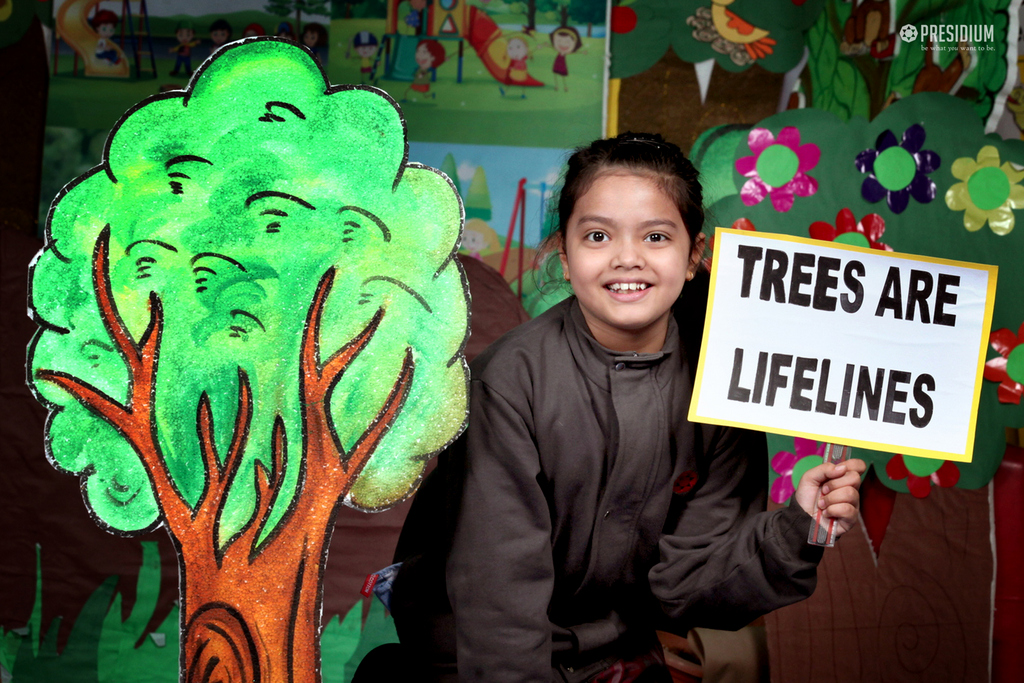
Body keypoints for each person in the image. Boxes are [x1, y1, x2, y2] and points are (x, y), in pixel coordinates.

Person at [382, 132, 865, 682]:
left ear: (693, 258)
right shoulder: (509, 382)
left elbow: (687, 586)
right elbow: (498, 604)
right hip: (476, 659)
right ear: (564, 257)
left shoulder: (720, 382)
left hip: (615, 657)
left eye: (656, 236)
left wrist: (798, 527)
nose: (627, 258)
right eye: (597, 236)